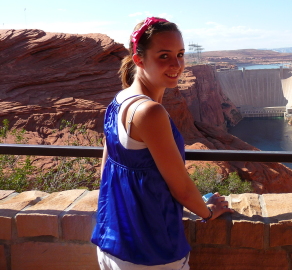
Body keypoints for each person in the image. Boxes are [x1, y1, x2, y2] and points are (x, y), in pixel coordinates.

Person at [91, 17, 233, 269]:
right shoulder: (150, 112)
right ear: (139, 59)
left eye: (180, 54)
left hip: (111, 241)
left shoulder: (119, 100)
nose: (177, 64)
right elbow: (182, 189)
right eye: (164, 56)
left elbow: (106, 171)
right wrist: (208, 211)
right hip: (151, 250)